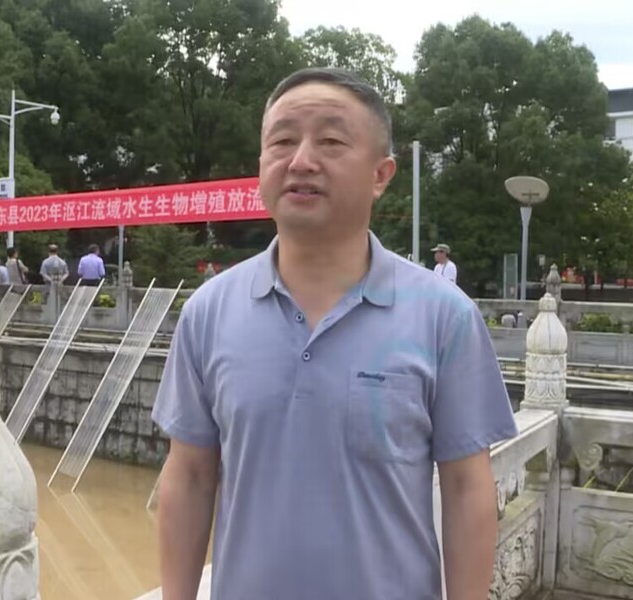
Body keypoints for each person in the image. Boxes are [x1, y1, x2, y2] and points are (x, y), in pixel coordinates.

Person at [151, 67, 517, 600]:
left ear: (380, 174)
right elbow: (189, 476)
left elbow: (466, 488)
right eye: (282, 141)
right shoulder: (208, 312)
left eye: (331, 141)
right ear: (261, 165)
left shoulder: (444, 316)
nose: (301, 160)